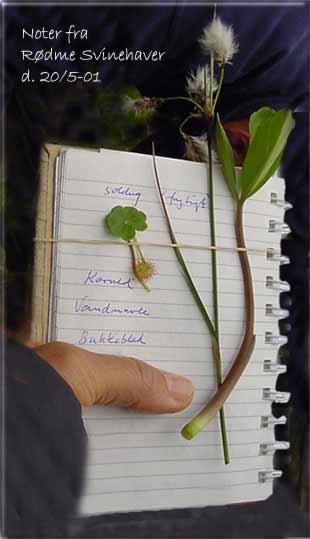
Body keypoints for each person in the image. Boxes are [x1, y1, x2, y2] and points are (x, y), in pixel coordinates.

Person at [3, 2, 309, 538]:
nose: (204, 169)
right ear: (239, 137)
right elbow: (21, 34)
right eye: (224, 158)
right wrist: (31, 403)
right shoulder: (218, 20)